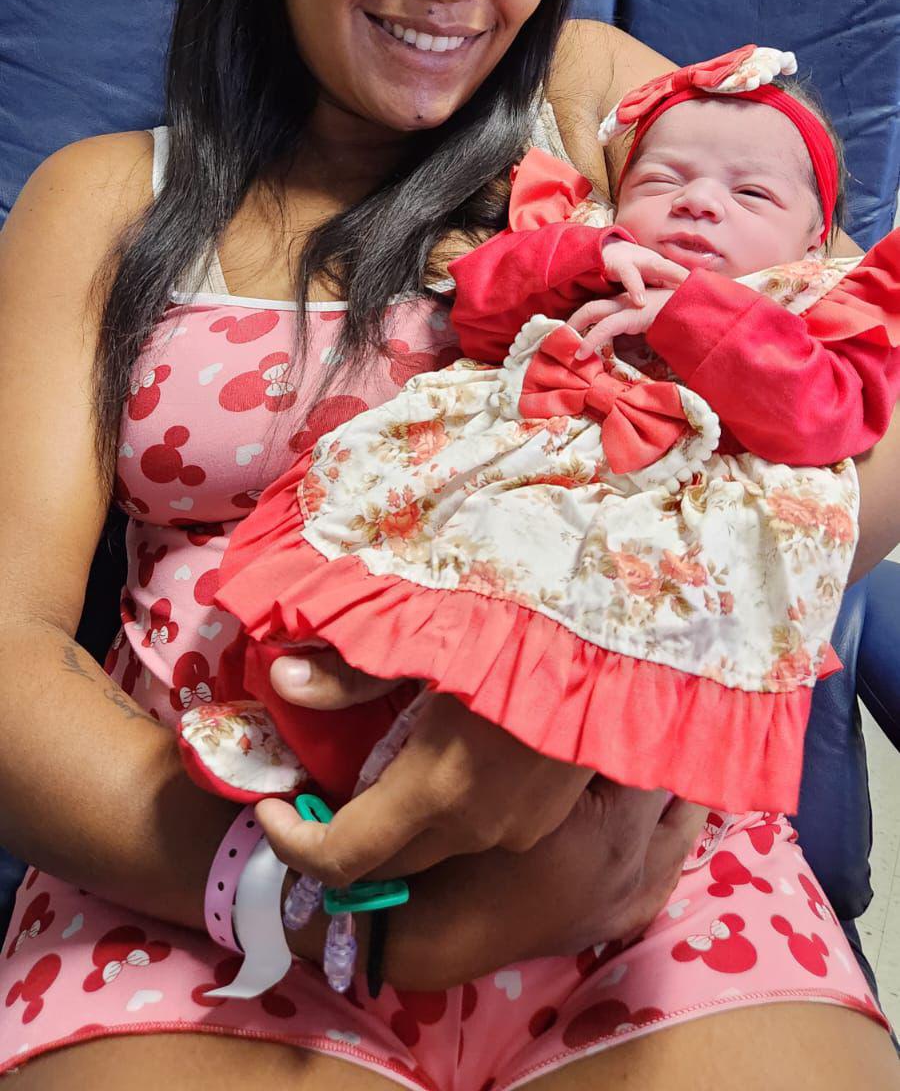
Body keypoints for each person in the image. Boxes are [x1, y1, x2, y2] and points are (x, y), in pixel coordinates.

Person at [0, 0, 898, 1091]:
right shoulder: (105, 203)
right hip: (215, 868)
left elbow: (865, 378)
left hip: (622, 863)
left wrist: (584, 676)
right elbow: (8, 645)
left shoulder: (601, 110)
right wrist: (329, 913)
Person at [184, 45, 900, 833]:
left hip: (659, 522)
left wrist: (687, 315)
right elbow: (482, 314)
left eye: (751, 193)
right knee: (382, 549)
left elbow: (828, 415)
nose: (698, 202)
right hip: (516, 468)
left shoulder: (811, 301)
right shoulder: (587, 240)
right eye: (663, 181)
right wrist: (589, 257)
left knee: (564, 625)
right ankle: (304, 731)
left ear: (814, 239)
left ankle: (413, 769)